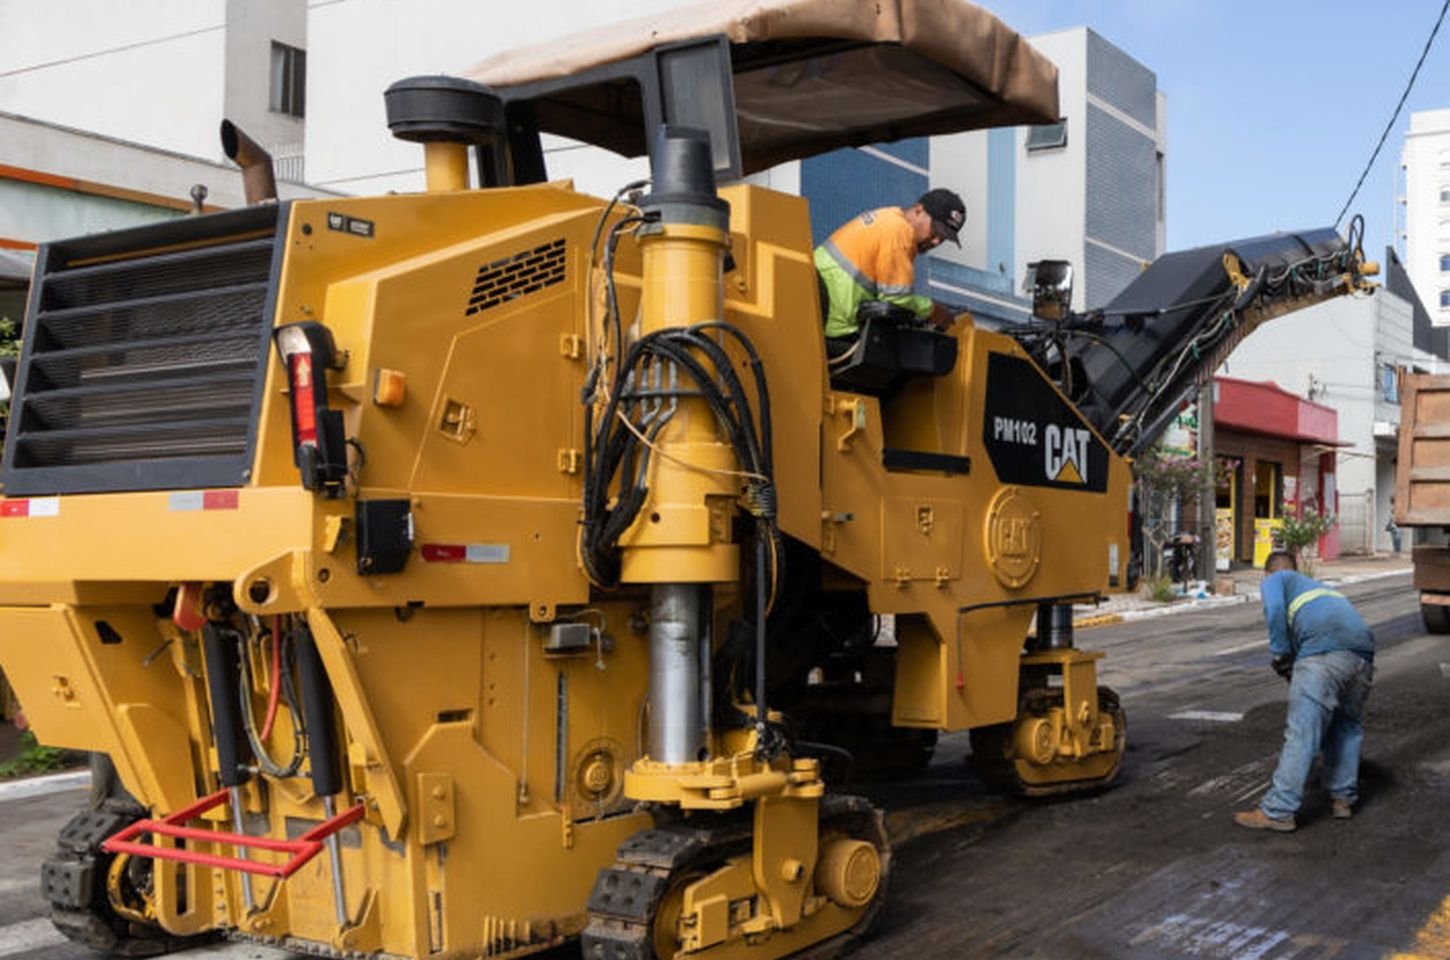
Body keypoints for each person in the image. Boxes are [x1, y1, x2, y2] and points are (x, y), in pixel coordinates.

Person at [1234, 550, 1375, 832]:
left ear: (1268, 573)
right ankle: (1342, 799)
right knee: (1346, 726)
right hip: (1362, 655)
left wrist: (1280, 654)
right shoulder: (1321, 590)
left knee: (1303, 732)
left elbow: (1274, 610)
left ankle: (1278, 809)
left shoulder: (1278, 578)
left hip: (1323, 653)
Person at [815, 188, 965, 358]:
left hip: (823, 309)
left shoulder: (888, 218)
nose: (937, 241)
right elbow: (896, 299)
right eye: (935, 230)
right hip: (834, 325)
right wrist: (933, 310)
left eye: (944, 237)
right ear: (918, 210)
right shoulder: (900, 232)